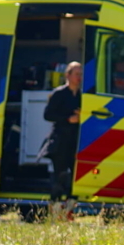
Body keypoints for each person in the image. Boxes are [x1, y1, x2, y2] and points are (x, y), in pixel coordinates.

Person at [43, 62, 83, 220]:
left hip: (76, 142)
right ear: (68, 75)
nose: (79, 77)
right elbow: (47, 115)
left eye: (81, 74)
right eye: (76, 74)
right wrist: (68, 119)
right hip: (60, 141)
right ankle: (54, 214)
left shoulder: (82, 96)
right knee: (60, 177)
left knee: (75, 178)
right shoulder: (59, 94)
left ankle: (68, 213)